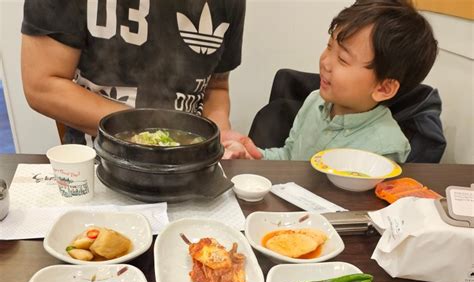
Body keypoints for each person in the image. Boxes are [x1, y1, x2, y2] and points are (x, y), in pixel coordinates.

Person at [20, 0, 261, 158]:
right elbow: (42, 85)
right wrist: (154, 132)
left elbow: (216, 88)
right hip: (96, 158)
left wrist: (218, 135)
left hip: (190, 162)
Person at [226, 0, 438, 162]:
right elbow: (290, 156)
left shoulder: (385, 146)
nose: (326, 62)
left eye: (343, 59)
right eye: (329, 46)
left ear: (383, 87)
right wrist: (254, 156)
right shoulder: (314, 101)